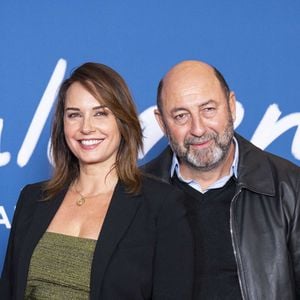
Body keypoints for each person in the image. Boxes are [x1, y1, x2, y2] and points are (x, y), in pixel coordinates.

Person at [0, 62, 194, 299]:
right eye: (74, 115)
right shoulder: (32, 198)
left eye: (100, 113)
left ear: (122, 121)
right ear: (63, 125)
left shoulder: (161, 206)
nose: (86, 127)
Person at [142, 60, 300, 299]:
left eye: (208, 110)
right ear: (162, 122)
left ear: (231, 106)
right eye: (181, 116)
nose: (198, 129)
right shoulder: (134, 193)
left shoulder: (290, 187)